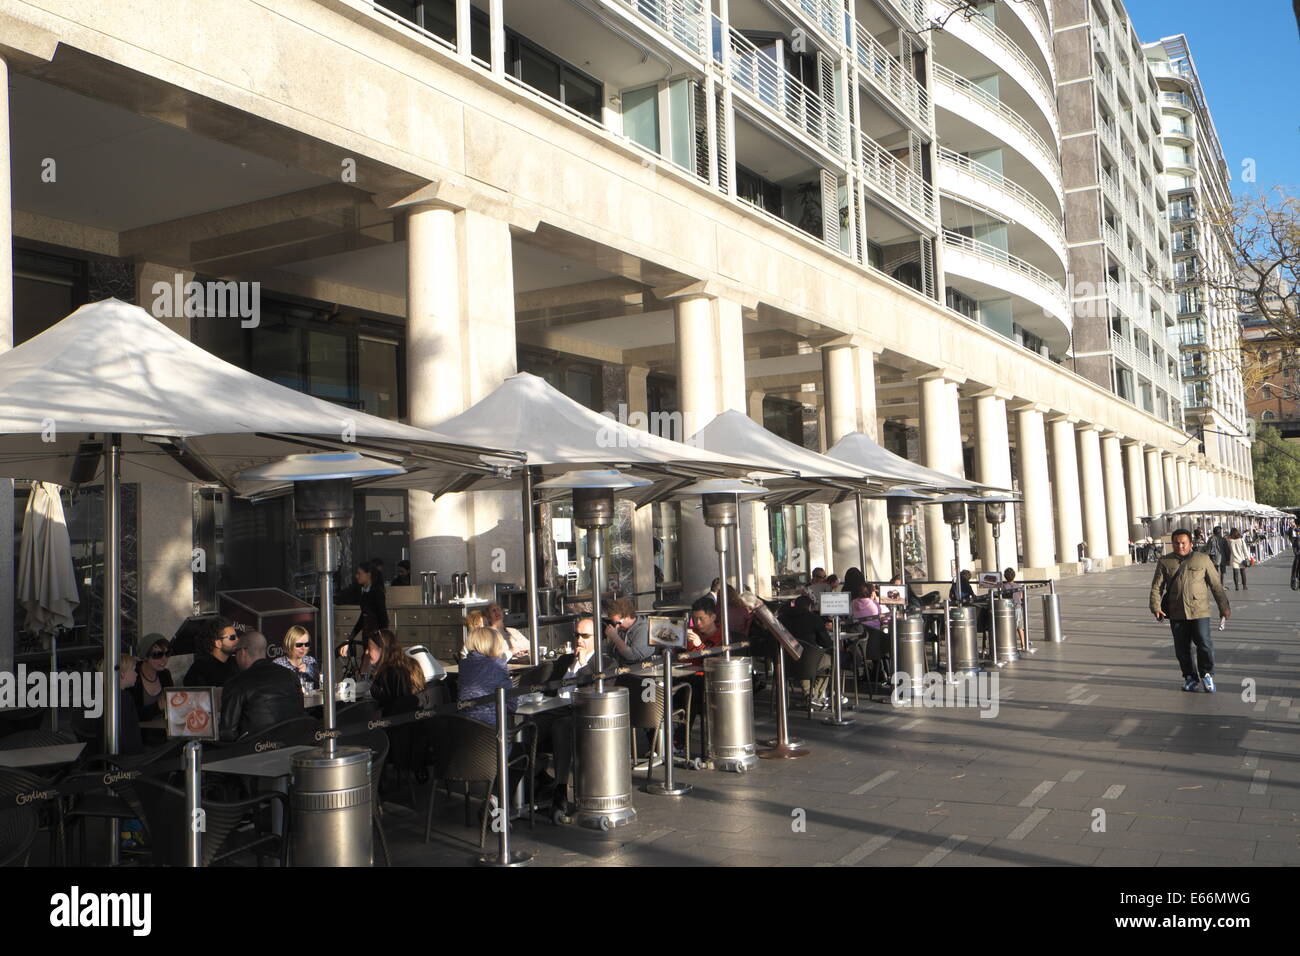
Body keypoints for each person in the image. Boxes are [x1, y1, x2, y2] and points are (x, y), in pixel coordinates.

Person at [1150, 528, 1230, 693]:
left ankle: (1207, 673)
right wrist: (1156, 607)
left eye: (1183, 543)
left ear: (1190, 543)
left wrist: (1224, 607)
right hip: (1177, 611)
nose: (1180, 546)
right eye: (1177, 543)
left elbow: (1216, 585)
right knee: (1182, 648)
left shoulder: (1202, 559)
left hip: (1199, 610)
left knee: (1204, 643)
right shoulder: (1165, 561)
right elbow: (1157, 586)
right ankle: (1190, 677)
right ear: (1172, 544)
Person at [220, 631, 305, 739]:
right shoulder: (290, 675)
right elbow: (300, 711)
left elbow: (227, 733)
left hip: (255, 749)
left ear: (242, 652)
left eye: (235, 652)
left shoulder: (237, 683)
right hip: (293, 741)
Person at [457, 626, 515, 725]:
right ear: (496, 645)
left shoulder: (464, 665)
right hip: (493, 728)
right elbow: (512, 705)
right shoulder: (498, 665)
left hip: (466, 726)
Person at [183, 616, 240, 687]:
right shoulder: (200, 668)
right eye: (232, 637)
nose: (237, 639)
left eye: (237, 636)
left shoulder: (235, 663)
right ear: (218, 643)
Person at [129, 633, 174, 721]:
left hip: (162, 732)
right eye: (157, 655)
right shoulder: (132, 676)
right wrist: (157, 707)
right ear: (145, 656)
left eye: (168, 653)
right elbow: (129, 714)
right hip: (140, 733)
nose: (164, 659)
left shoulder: (165, 674)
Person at [603, 598, 653, 663]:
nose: (617, 626)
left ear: (628, 616)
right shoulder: (621, 629)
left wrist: (615, 637)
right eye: (614, 623)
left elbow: (633, 656)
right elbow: (607, 648)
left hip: (639, 667)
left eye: (618, 623)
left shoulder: (643, 629)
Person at [348, 560, 388, 638]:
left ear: (368, 575)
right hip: (367, 633)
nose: (357, 576)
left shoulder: (377, 592)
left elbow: (382, 616)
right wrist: (351, 636)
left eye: (359, 573)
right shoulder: (364, 592)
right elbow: (363, 616)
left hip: (375, 635)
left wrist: (382, 636)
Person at [275, 625, 320, 691]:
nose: (303, 648)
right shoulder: (278, 664)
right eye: (299, 645)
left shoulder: (310, 661)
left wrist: (309, 670)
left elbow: (319, 684)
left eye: (307, 644)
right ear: (289, 644)